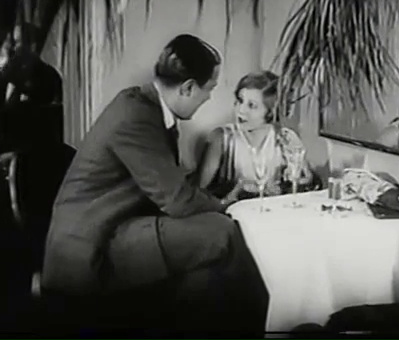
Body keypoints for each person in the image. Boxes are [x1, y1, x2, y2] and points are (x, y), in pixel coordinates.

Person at [41, 34, 268, 332]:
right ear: (188, 88)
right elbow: (177, 200)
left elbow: (168, 187)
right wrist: (225, 204)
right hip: (91, 247)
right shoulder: (137, 116)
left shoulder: (144, 106)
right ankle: (259, 325)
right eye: (209, 89)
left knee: (204, 271)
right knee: (223, 231)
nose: (209, 98)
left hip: (116, 227)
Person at [196, 71, 314, 200]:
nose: (241, 110)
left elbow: (306, 181)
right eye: (240, 101)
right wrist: (235, 193)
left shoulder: (286, 138)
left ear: (271, 111)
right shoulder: (222, 138)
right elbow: (198, 193)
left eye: (251, 105)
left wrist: (293, 182)